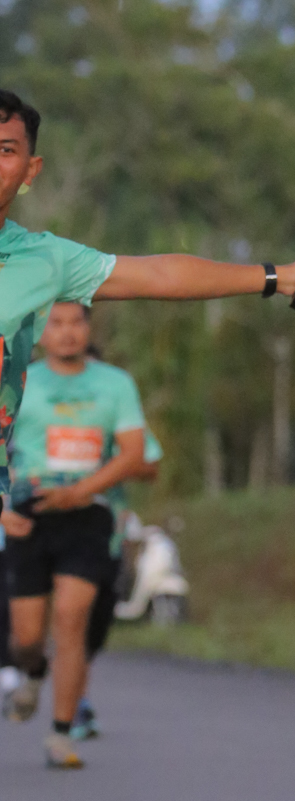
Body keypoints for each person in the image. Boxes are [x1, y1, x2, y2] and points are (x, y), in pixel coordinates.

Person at [0, 87, 295, 768]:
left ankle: (61, 722)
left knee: (60, 622)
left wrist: (279, 277)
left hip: (55, 508)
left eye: (5, 150)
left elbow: (160, 272)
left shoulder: (43, 260)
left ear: (30, 170)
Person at [0, 301, 160, 750]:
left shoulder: (115, 384)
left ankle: (62, 733)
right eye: (57, 323)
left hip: (90, 511)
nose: (68, 332)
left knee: (71, 619)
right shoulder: (18, 380)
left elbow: (137, 455)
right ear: (41, 331)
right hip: (29, 513)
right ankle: (34, 671)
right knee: (27, 639)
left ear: (88, 328)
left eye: (76, 322)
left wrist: (83, 489)